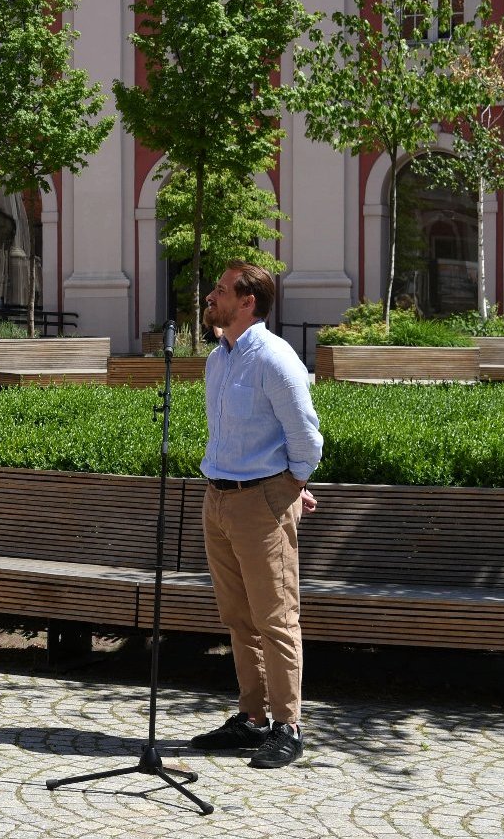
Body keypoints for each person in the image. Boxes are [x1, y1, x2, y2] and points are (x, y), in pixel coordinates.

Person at [189, 261, 323, 769]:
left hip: (260, 503)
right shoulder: (218, 360)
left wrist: (287, 490)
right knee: (238, 618)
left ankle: (288, 726)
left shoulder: (275, 359)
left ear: (247, 302)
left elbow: (307, 440)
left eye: (220, 290)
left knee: (276, 618)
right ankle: (252, 719)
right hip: (218, 499)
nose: (211, 296)